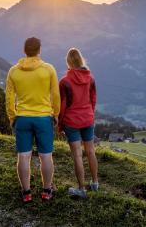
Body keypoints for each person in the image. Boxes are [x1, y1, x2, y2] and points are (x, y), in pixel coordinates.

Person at [6, 37, 60, 203]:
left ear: (25, 50)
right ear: (39, 50)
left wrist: (12, 116)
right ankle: (46, 191)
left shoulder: (13, 71)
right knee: (45, 156)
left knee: (23, 156)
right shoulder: (48, 69)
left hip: (22, 118)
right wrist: (56, 113)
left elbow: (9, 98)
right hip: (43, 118)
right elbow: (56, 95)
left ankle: (26, 192)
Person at [58, 48, 99, 199]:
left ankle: (81, 189)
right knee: (91, 152)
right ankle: (95, 183)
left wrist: (60, 125)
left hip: (72, 121)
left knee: (77, 155)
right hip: (88, 118)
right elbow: (93, 100)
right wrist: (90, 115)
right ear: (81, 60)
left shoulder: (64, 82)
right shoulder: (91, 79)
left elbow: (62, 106)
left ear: (68, 62)